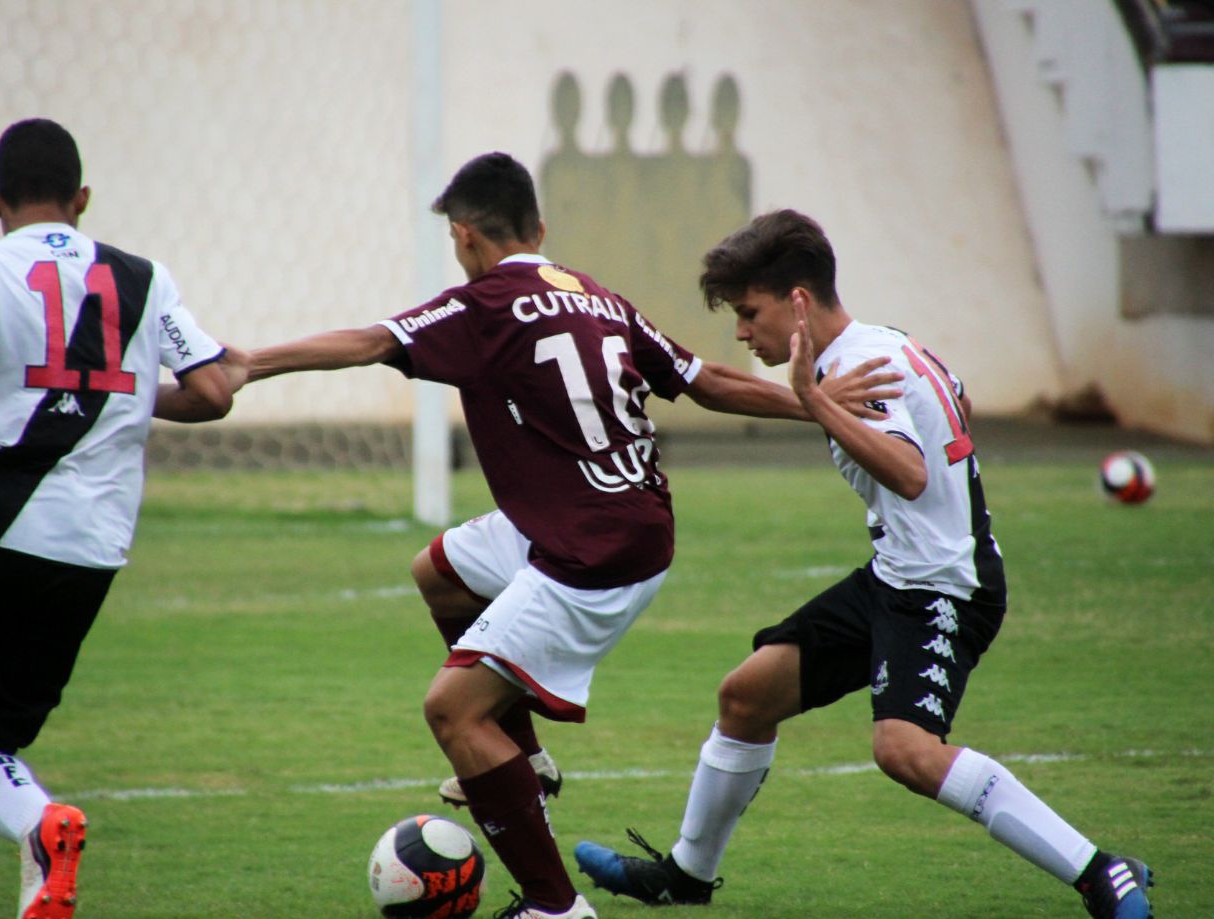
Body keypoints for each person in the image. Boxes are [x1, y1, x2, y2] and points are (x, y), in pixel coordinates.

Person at [242, 154, 899, 919]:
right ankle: (529, 759)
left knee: (454, 710)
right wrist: (811, 399)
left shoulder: (483, 302)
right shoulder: (596, 296)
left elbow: (368, 340)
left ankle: (556, 907)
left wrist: (249, 363)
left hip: (592, 553)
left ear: (463, 236)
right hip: (615, 521)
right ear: (540, 228)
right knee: (441, 570)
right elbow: (704, 380)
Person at [574, 209, 1154, 919]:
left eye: (748, 312)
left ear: (796, 301)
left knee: (904, 749)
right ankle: (686, 875)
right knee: (746, 695)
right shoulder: (882, 345)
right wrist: (832, 406)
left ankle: (1100, 869)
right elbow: (955, 396)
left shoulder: (848, 367)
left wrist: (818, 403)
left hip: (945, 588)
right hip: (893, 578)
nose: (740, 331)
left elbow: (909, 473)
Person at [0, 118, 243, 919]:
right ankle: (41, 825)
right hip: (87, 554)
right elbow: (212, 391)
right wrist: (133, 398)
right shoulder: (144, 277)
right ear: (82, 199)